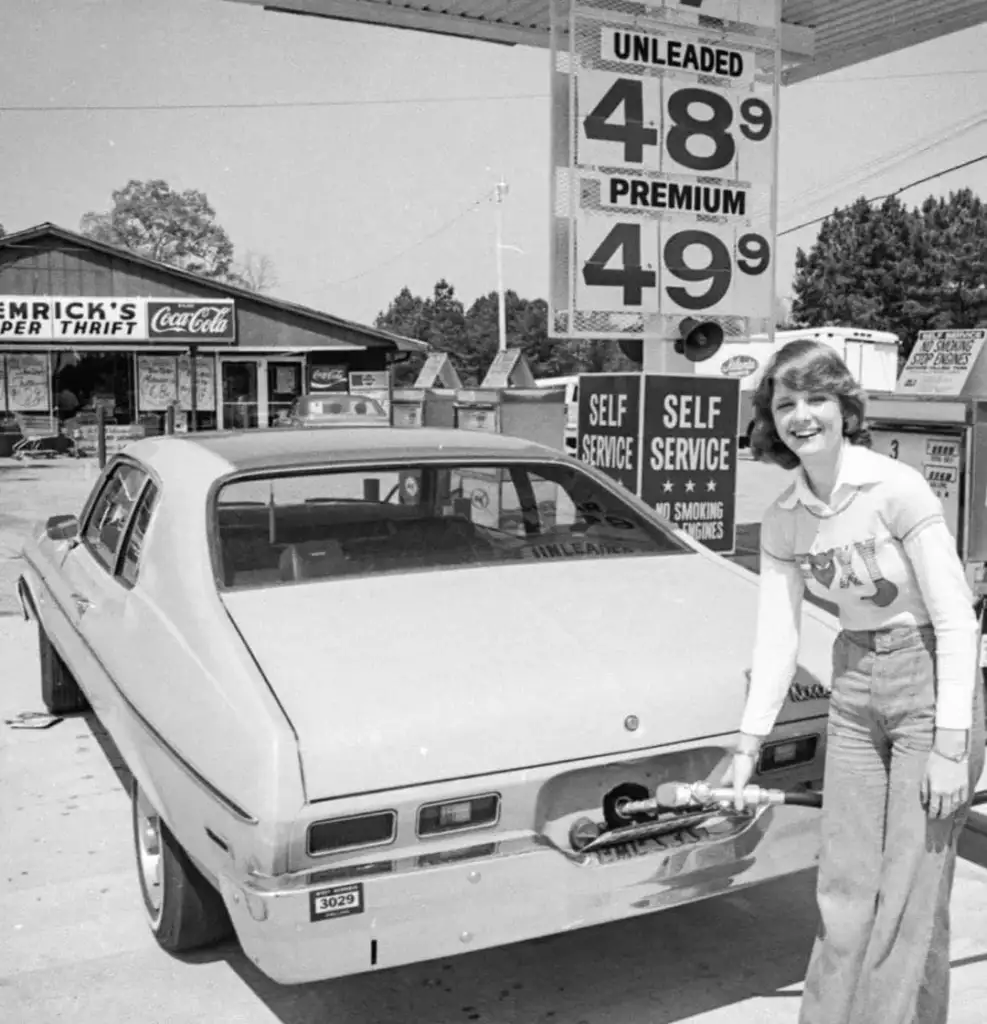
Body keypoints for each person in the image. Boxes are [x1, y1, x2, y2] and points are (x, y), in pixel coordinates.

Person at [727, 339, 985, 1024]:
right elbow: (776, 635)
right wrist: (746, 746)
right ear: (769, 419)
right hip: (852, 687)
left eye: (817, 398)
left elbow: (958, 621)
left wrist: (951, 747)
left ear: (845, 407)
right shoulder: (784, 517)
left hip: (926, 683)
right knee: (843, 891)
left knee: (908, 896)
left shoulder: (893, 488)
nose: (801, 415)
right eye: (785, 403)